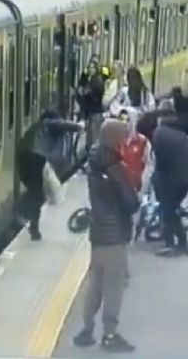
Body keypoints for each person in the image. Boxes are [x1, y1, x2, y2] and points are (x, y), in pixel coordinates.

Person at [72, 119, 139, 353]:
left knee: (95, 285)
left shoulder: (94, 161)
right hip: (115, 235)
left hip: (98, 233)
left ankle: (86, 330)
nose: (126, 139)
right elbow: (131, 203)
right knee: (113, 286)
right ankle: (110, 335)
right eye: (122, 135)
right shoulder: (115, 168)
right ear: (114, 139)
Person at [17, 109, 84, 241]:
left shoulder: (37, 128)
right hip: (35, 157)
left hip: (25, 157)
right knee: (36, 193)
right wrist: (78, 126)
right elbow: (59, 124)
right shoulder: (47, 124)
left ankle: (29, 220)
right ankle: (27, 219)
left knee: (35, 192)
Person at [151, 113, 188, 257]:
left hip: (171, 179)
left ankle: (174, 244)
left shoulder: (159, 133)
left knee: (168, 211)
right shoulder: (179, 133)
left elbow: (161, 160)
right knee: (172, 209)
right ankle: (180, 243)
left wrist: (157, 177)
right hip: (186, 178)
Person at [77, 58, 107, 149]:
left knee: (94, 138)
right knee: (90, 138)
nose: (90, 69)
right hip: (90, 113)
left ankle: (93, 158)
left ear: (96, 69)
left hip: (95, 113)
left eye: (93, 68)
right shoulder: (89, 79)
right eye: (89, 67)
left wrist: (86, 92)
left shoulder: (98, 80)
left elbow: (96, 94)